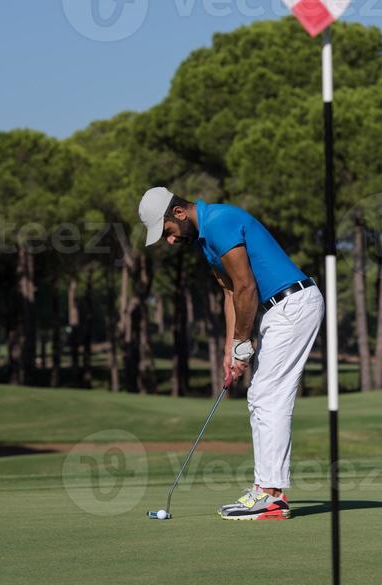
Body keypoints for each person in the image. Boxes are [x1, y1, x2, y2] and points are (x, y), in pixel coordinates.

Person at [138, 186, 324, 521]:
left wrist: (243, 344)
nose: (169, 240)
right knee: (262, 397)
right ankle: (266, 490)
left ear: (179, 213)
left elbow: (247, 287)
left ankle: (271, 496)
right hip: (276, 311)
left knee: (268, 396)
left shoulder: (220, 221)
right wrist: (230, 350)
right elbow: (230, 294)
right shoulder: (206, 239)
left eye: (167, 232)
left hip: (291, 304)